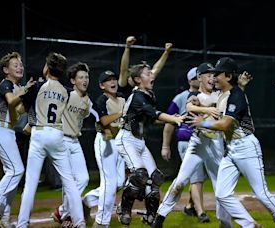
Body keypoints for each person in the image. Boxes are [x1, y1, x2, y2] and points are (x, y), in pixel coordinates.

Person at [188, 57, 275, 228]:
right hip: (231, 149)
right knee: (221, 194)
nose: (213, 78)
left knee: (262, 193)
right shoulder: (224, 93)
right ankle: (250, 225)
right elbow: (213, 104)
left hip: (246, 147)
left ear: (228, 76)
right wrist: (195, 102)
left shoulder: (236, 95)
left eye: (217, 74)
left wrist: (202, 123)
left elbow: (224, 124)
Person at [152, 62, 235, 228]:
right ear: (199, 78)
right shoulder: (195, 97)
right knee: (181, 181)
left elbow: (228, 106)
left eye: (214, 74)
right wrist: (204, 109)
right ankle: (160, 217)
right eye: (208, 75)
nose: (212, 78)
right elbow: (190, 105)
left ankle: (225, 224)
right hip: (197, 143)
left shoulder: (221, 95)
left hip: (215, 144)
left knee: (221, 187)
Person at [16, 52, 85, 228]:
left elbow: (21, 110)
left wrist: (25, 91)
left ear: (47, 68)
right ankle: (80, 222)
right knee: (69, 182)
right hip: (57, 133)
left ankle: (22, 224)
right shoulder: (67, 92)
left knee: (31, 183)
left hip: (39, 133)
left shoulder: (37, 86)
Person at [114, 61, 185, 226]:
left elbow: (152, 119)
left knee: (156, 177)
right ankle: (124, 208)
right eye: (148, 73)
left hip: (139, 141)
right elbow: (156, 114)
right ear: (138, 80)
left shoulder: (148, 94)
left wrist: (173, 119)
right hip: (127, 139)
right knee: (140, 175)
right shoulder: (138, 96)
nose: (152, 75)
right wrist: (173, 118)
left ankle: (151, 215)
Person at [160, 66, 211, 222]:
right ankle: (201, 212)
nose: (203, 79)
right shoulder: (181, 98)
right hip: (186, 141)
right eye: (198, 77)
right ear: (191, 81)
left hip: (204, 140)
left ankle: (190, 206)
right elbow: (168, 123)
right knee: (196, 178)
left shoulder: (208, 96)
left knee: (200, 176)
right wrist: (165, 146)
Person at [50, 62, 94, 226]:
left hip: (75, 141)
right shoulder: (66, 95)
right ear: (73, 81)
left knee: (83, 179)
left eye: (86, 77)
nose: (85, 80)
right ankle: (67, 216)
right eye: (81, 77)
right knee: (68, 180)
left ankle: (61, 212)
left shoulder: (87, 101)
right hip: (61, 140)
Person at [82, 70, 126, 228]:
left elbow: (125, 72)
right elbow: (103, 120)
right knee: (110, 182)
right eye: (108, 80)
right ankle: (101, 222)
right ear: (102, 85)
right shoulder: (101, 100)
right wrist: (122, 113)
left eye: (114, 78)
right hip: (105, 143)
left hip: (120, 143)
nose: (112, 82)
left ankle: (86, 201)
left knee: (119, 182)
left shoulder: (122, 97)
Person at [0, 52, 34, 227]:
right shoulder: (6, 84)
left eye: (20, 64)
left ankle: (4, 218)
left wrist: (25, 92)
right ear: (6, 70)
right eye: (15, 65)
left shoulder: (16, 86)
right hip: (0, 130)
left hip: (8, 131)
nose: (20, 67)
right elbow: (11, 100)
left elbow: (17, 112)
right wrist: (22, 91)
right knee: (16, 170)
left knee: (12, 172)